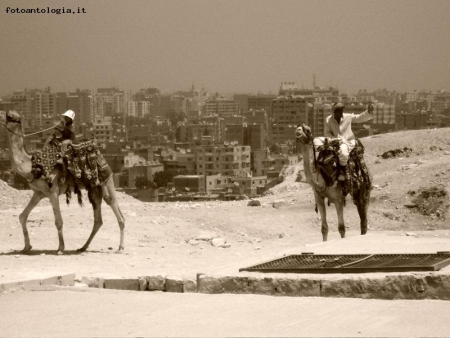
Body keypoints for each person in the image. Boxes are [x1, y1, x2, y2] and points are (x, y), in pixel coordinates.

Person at [313, 103, 374, 181]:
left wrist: (368, 111)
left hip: (347, 141)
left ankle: (343, 171)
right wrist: (334, 139)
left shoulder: (347, 117)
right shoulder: (328, 119)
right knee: (316, 140)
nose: (340, 112)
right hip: (334, 140)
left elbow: (358, 118)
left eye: (341, 110)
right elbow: (327, 133)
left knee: (343, 152)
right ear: (333, 112)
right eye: (338, 110)